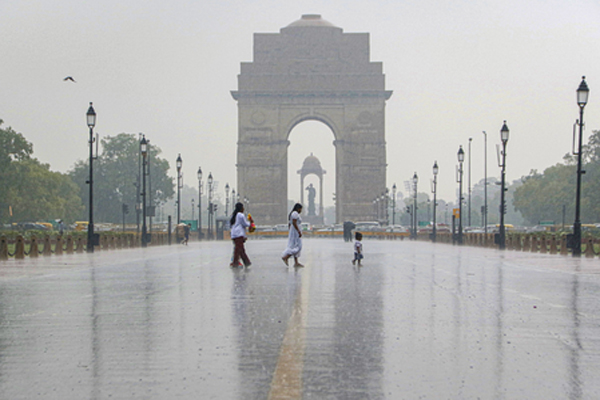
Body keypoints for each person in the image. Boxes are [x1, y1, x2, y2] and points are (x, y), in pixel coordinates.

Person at [230, 202, 252, 268]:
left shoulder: (233, 215)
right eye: (243, 207)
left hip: (234, 234)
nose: (243, 209)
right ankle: (236, 262)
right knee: (238, 249)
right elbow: (245, 224)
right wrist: (250, 223)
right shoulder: (240, 215)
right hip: (239, 234)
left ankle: (246, 262)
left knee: (240, 249)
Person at [282, 203, 304, 267]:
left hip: (294, 231)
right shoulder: (295, 214)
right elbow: (294, 223)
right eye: (300, 209)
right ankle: (286, 257)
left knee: (295, 246)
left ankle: (296, 262)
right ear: (298, 208)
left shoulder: (294, 213)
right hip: (295, 231)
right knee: (298, 247)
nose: (301, 211)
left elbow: (290, 224)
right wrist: (298, 231)